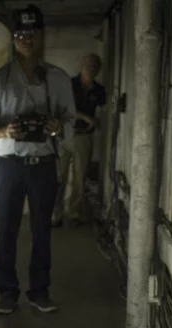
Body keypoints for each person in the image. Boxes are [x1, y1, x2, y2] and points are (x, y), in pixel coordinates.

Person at [0, 4, 76, 314]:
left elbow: (71, 120)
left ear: (41, 36)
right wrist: (5, 131)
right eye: (21, 34)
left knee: (42, 231)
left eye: (32, 34)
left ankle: (39, 291)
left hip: (43, 163)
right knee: (6, 230)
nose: (27, 40)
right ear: (13, 38)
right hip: (10, 166)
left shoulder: (57, 79)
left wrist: (57, 127)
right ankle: (7, 292)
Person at [54, 54, 106, 227]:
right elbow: (63, 108)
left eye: (95, 66)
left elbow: (105, 109)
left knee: (80, 177)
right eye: (88, 65)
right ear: (82, 66)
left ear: (98, 70)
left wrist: (98, 121)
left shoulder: (99, 90)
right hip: (64, 135)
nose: (91, 69)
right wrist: (86, 117)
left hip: (84, 137)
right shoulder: (69, 84)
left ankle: (74, 213)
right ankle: (55, 214)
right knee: (58, 176)